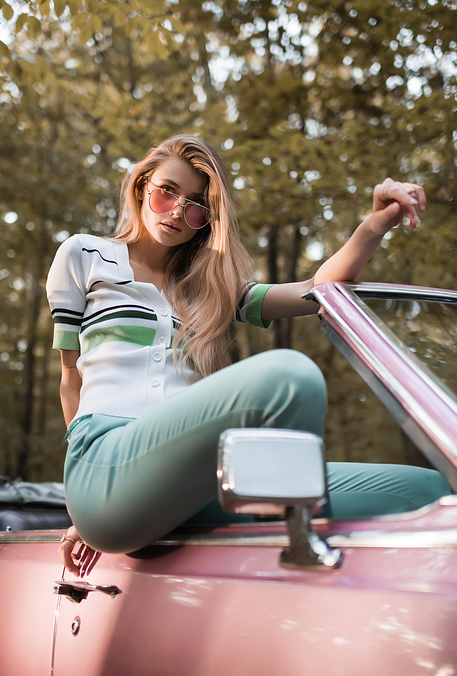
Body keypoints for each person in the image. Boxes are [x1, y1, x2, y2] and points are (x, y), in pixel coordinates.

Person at [46, 134, 449, 576]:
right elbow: (72, 381)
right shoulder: (85, 255)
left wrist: (374, 225)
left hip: (190, 484)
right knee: (290, 377)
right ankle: (301, 549)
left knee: (423, 491)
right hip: (106, 466)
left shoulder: (209, 288)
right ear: (142, 185)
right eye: (167, 191)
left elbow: (315, 293)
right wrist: (80, 510)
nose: (179, 211)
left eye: (197, 205)